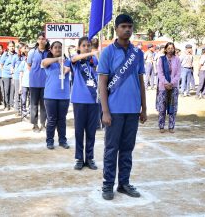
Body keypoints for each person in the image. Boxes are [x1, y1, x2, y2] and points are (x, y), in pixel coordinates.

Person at [98, 14, 147, 200]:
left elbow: (141, 81)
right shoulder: (108, 53)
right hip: (114, 111)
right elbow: (102, 83)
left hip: (132, 110)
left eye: (130, 26)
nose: (127, 29)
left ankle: (124, 183)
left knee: (127, 149)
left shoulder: (138, 54)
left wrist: (144, 108)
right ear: (116, 29)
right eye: (123, 26)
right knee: (111, 149)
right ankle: (107, 185)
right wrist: (105, 111)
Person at [70, 37, 99, 170]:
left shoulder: (94, 60)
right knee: (79, 131)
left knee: (91, 131)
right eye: (84, 46)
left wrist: (93, 55)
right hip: (79, 99)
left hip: (93, 99)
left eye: (89, 45)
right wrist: (91, 53)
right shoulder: (76, 59)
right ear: (79, 48)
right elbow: (74, 59)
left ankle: (90, 158)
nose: (87, 47)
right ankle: (79, 158)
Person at [41, 41, 71, 150]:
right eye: (56, 47)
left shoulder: (67, 61)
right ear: (51, 50)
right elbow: (43, 62)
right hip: (50, 96)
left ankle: (62, 140)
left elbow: (66, 70)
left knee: (62, 119)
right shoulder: (49, 62)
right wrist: (56, 59)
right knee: (52, 119)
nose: (58, 49)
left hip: (64, 96)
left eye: (60, 47)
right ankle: (50, 141)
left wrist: (63, 65)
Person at [156, 42, 181, 133]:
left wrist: (172, 83)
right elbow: (160, 73)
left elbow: (178, 73)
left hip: (173, 87)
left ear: (174, 49)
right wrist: (166, 83)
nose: (170, 50)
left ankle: (171, 126)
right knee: (162, 107)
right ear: (165, 49)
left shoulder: (177, 59)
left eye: (172, 48)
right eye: (169, 48)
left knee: (173, 107)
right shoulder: (161, 59)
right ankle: (161, 126)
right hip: (163, 87)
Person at [27, 32, 49, 132]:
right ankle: (34, 124)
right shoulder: (32, 52)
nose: (41, 40)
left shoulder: (49, 53)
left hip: (46, 83)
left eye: (43, 38)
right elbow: (29, 66)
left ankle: (43, 124)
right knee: (34, 104)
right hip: (34, 82)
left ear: (46, 40)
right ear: (37, 40)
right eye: (39, 38)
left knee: (44, 104)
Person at [2, 41, 18, 111]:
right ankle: (6, 105)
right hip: (6, 75)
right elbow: (1, 65)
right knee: (6, 90)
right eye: (10, 46)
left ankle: (11, 104)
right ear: (8, 47)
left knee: (12, 91)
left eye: (13, 46)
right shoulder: (5, 55)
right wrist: (8, 69)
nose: (12, 47)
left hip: (14, 76)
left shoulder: (16, 55)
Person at [12, 43, 25, 115]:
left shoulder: (24, 56)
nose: (25, 49)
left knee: (22, 93)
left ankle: (23, 109)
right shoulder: (15, 57)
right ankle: (17, 109)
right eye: (23, 48)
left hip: (23, 77)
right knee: (17, 93)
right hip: (17, 77)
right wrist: (13, 76)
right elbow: (12, 67)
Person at [18, 44, 30, 117]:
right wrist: (20, 86)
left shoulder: (34, 64)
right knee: (24, 99)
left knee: (31, 99)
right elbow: (21, 75)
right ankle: (23, 111)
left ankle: (30, 111)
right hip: (24, 84)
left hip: (32, 84)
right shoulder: (23, 63)